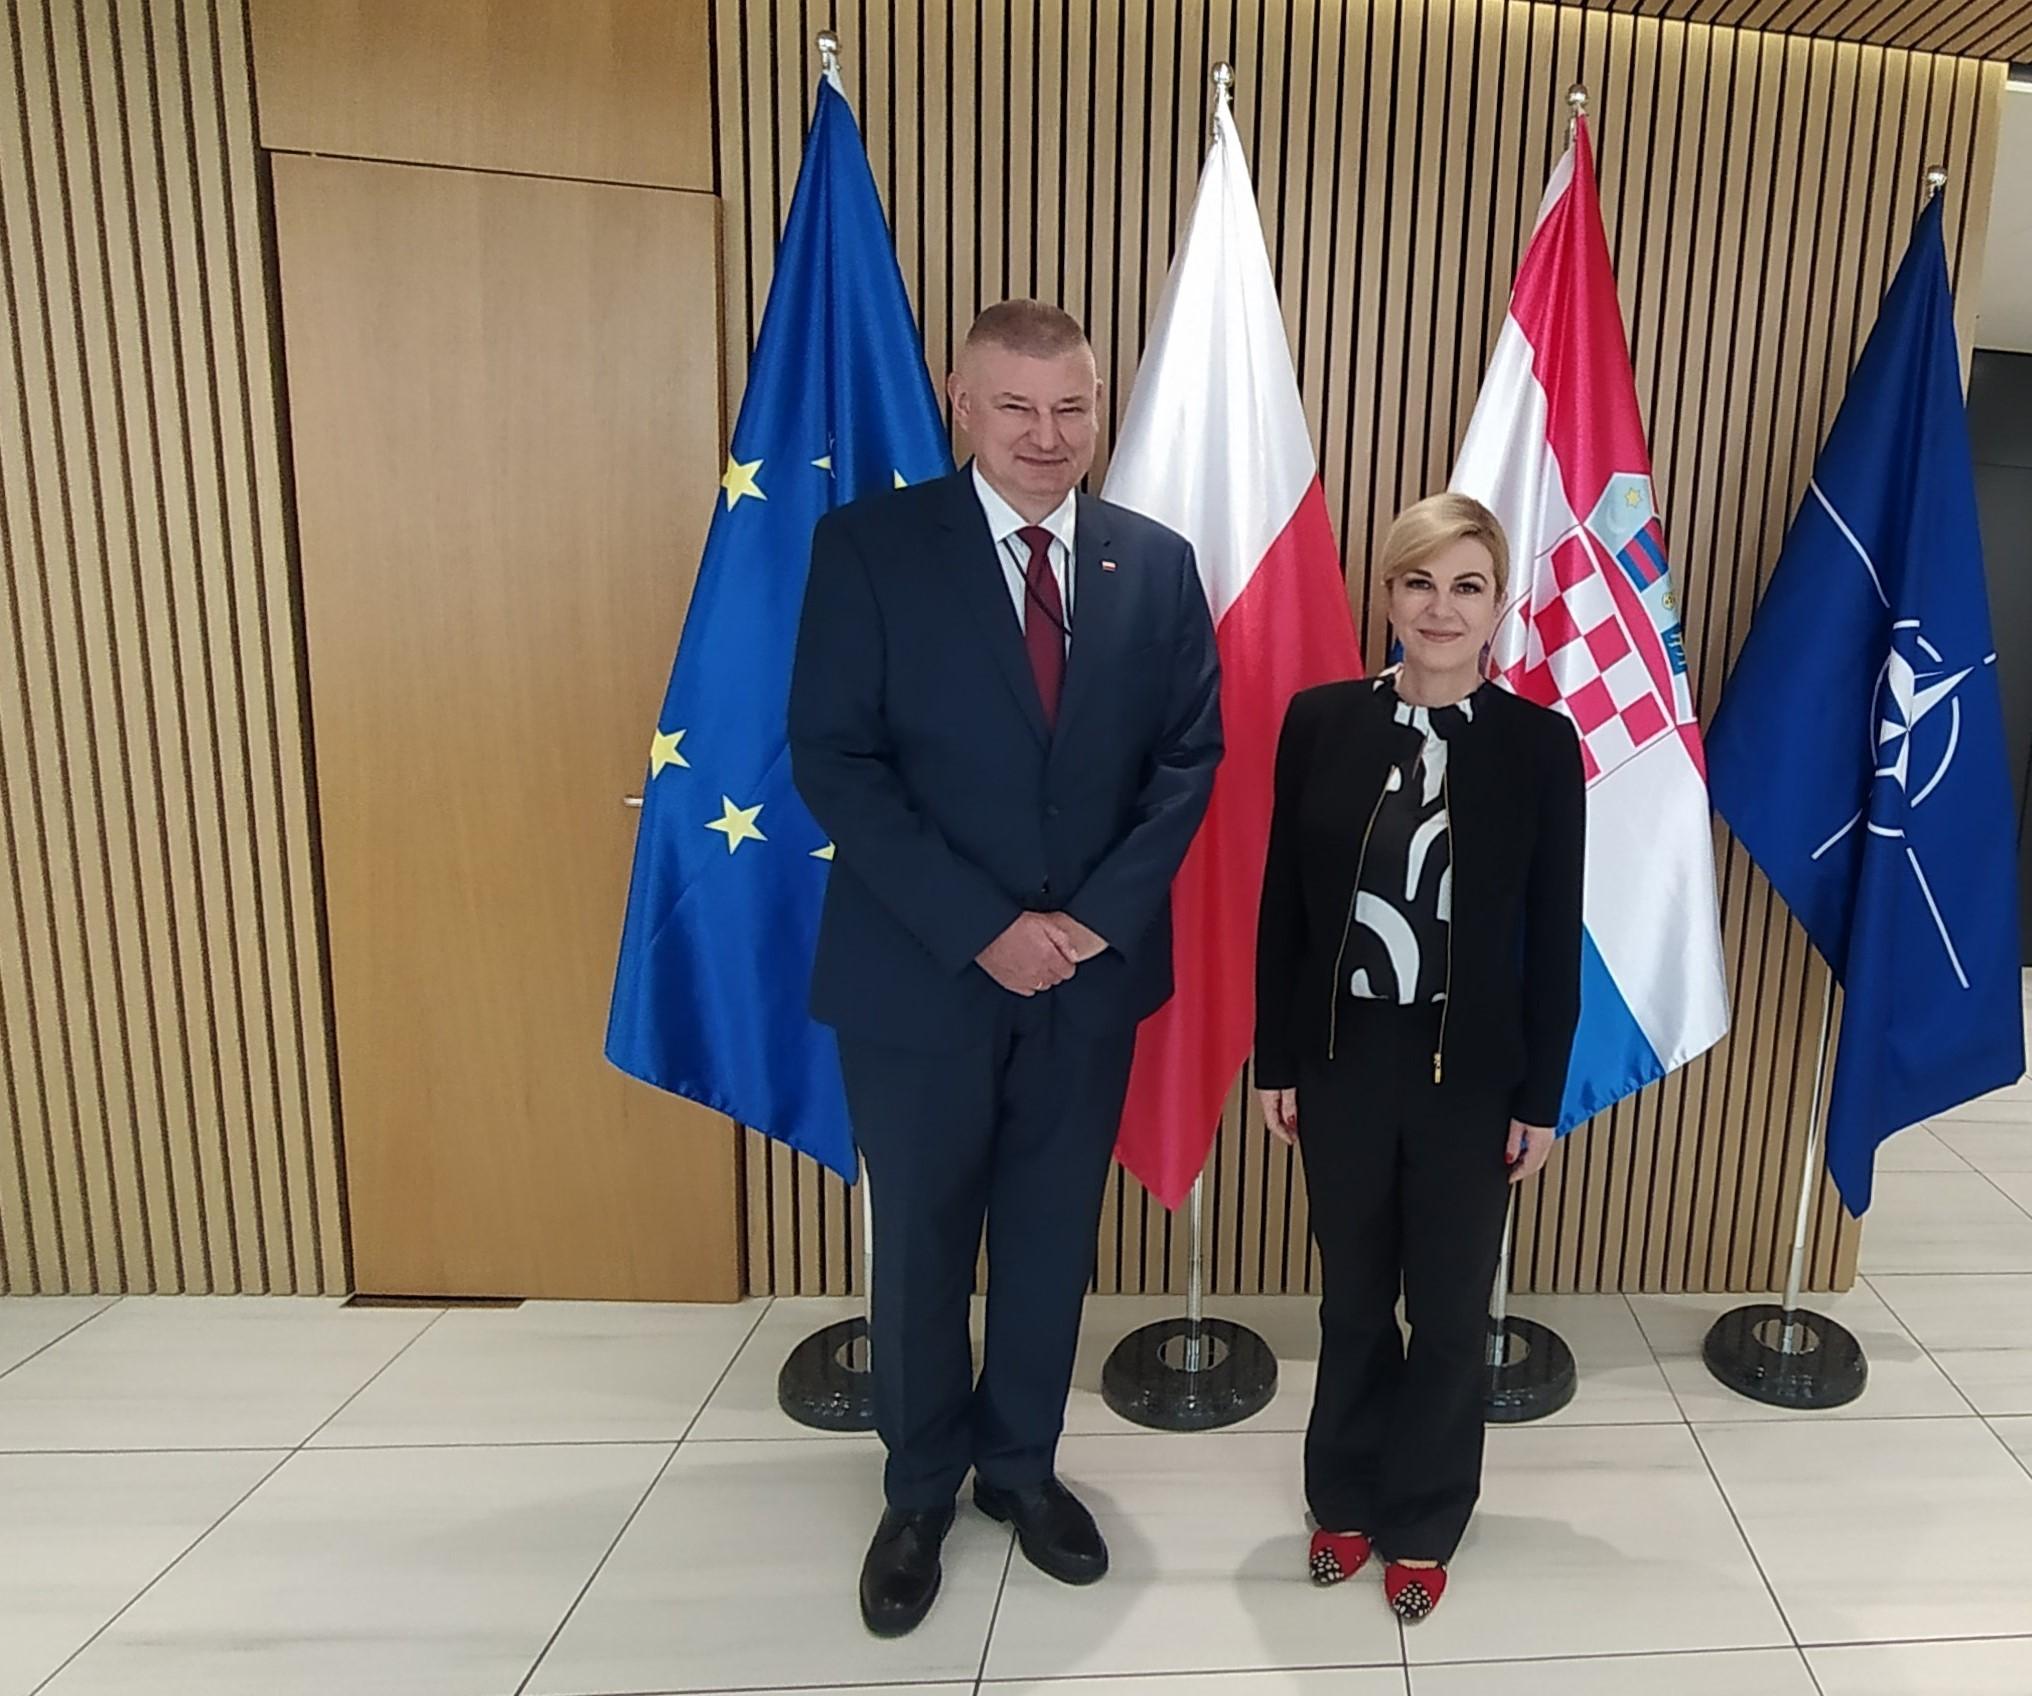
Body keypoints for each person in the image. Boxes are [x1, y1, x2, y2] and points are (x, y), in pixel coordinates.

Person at [788, 300, 1222, 1638]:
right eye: (1018, 407)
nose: (1047, 435)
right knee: (921, 1244)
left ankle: (1020, 1467)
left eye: (1072, 406)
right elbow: (834, 759)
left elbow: (1187, 761)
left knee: (1047, 1238)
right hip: (918, 975)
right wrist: (985, 926)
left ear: (1100, 407)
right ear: (961, 403)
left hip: (1087, 981)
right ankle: (919, 1487)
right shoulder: (868, 548)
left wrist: (1086, 925)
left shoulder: (1156, 564)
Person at [1252, 493, 1584, 1622]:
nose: (1441, 608)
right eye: (1420, 583)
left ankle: (1426, 1514)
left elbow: (1553, 935)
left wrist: (1540, 1096)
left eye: (1467, 587)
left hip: (1471, 1074)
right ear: (1388, 596)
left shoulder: (1539, 745)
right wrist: (1275, 1060)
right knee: (1352, 1301)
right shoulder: (1320, 722)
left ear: (1498, 606)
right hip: (1343, 1057)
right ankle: (1342, 1496)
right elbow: (1283, 911)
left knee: (1446, 1311)